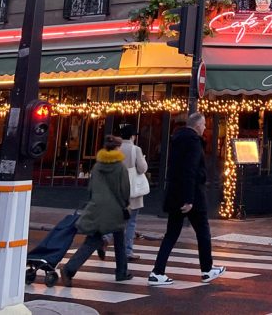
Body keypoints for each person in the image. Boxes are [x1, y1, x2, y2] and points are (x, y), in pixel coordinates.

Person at [149, 113, 226, 286]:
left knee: (171, 234)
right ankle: (207, 269)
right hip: (192, 196)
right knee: (203, 232)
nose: (205, 127)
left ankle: (157, 271)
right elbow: (190, 170)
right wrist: (189, 199)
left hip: (176, 194)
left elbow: (179, 169)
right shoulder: (193, 142)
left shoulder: (177, 140)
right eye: (204, 124)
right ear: (197, 125)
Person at [63, 135, 132, 285]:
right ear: (117, 148)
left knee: (93, 239)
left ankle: (70, 268)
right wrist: (125, 205)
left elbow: (91, 187)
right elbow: (124, 190)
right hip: (115, 209)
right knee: (119, 239)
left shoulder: (97, 166)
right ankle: (121, 272)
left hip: (97, 206)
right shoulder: (120, 167)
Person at [118, 124, 147, 261]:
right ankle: (128, 250)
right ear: (132, 136)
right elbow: (141, 169)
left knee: (117, 220)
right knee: (131, 221)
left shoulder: (116, 149)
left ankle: (104, 239)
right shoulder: (136, 149)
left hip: (117, 190)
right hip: (132, 191)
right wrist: (144, 161)